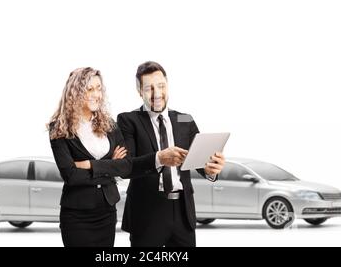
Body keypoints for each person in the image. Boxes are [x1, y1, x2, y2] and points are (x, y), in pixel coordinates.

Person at [117, 61, 226, 247]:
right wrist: (159, 158)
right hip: (147, 212)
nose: (157, 94)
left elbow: (199, 161)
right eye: (149, 88)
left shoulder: (185, 119)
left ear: (167, 85)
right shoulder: (128, 120)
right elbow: (126, 168)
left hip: (183, 211)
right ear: (139, 91)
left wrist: (210, 170)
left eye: (161, 86)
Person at [48, 67, 155, 247]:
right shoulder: (59, 128)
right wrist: (110, 167)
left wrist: (91, 165)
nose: (96, 94)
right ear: (75, 93)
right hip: (76, 215)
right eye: (90, 89)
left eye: (99, 88)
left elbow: (125, 166)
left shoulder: (109, 125)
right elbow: (71, 176)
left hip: (106, 212)